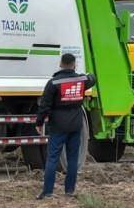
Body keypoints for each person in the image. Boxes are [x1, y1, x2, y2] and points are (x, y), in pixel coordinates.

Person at [35, 53, 96, 199]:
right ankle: (69, 190)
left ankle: (48, 191)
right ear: (74, 65)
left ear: (61, 64)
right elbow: (92, 78)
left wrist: (39, 122)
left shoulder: (53, 83)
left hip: (58, 125)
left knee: (53, 158)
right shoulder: (82, 80)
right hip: (76, 124)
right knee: (72, 158)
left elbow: (45, 106)